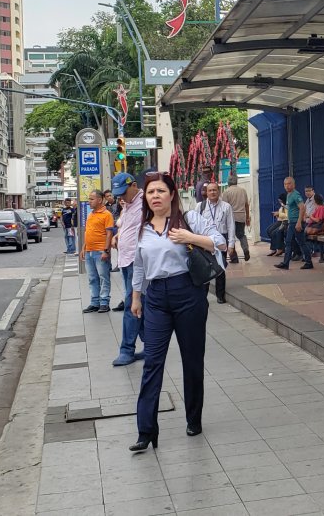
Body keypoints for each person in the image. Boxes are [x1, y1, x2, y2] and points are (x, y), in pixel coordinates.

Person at [129, 171, 224, 451]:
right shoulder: (142, 228)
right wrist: (136, 298)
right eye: (150, 192)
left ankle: (194, 419)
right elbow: (138, 266)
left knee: (192, 359)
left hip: (188, 293)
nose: (155, 196)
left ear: (172, 194)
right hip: (156, 297)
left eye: (160, 191)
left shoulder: (189, 219)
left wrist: (188, 237)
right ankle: (146, 430)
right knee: (152, 362)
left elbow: (219, 242)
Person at [110, 173, 145, 364]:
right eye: (118, 194)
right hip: (124, 260)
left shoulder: (145, 202)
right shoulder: (127, 205)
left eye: (123, 192)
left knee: (132, 305)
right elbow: (125, 226)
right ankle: (150, 345)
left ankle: (127, 350)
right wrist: (117, 236)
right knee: (140, 305)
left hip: (137, 262)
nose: (121, 197)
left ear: (133, 185)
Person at [197, 182, 234, 304]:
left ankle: (220, 295)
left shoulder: (226, 207)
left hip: (221, 240)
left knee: (220, 267)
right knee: (205, 267)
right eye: (210, 190)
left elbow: (231, 226)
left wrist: (231, 244)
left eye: (214, 190)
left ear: (219, 191)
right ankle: (203, 296)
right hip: (205, 240)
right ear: (206, 193)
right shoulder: (200, 207)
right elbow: (195, 224)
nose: (212, 192)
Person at [80, 190, 115, 313]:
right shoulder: (91, 215)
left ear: (99, 200)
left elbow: (109, 234)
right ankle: (95, 302)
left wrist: (106, 251)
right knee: (92, 278)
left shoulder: (107, 214)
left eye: (91, 199)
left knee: (103, 277)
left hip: (100, 251)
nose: (89, 201)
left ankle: (104, 302)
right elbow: (88, 232)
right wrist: (84, 248)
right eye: (89, 199)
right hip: (89, 251)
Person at [275, 177, 313, 270]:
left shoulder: (296, 195)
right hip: (291, 222)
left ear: (294, 184)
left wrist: (299, 222)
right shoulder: (289, 195)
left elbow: (302, 207)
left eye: (289, 184)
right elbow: (291, 208)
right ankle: (287, 263)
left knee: (299, 243)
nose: (287, 186)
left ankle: (307, 262)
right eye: (285, 184)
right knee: (292, 242)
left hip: (296, 222)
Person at [221, 174, 251, 263]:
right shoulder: (243, 191)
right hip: (241, 216)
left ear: (228, 182)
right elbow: (246, 205)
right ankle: (245, 249)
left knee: (230, 237)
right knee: (241, 235)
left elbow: (224, 207)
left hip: (231, 217)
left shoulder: (226, 192)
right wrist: (247, 217)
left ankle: (234, 258)